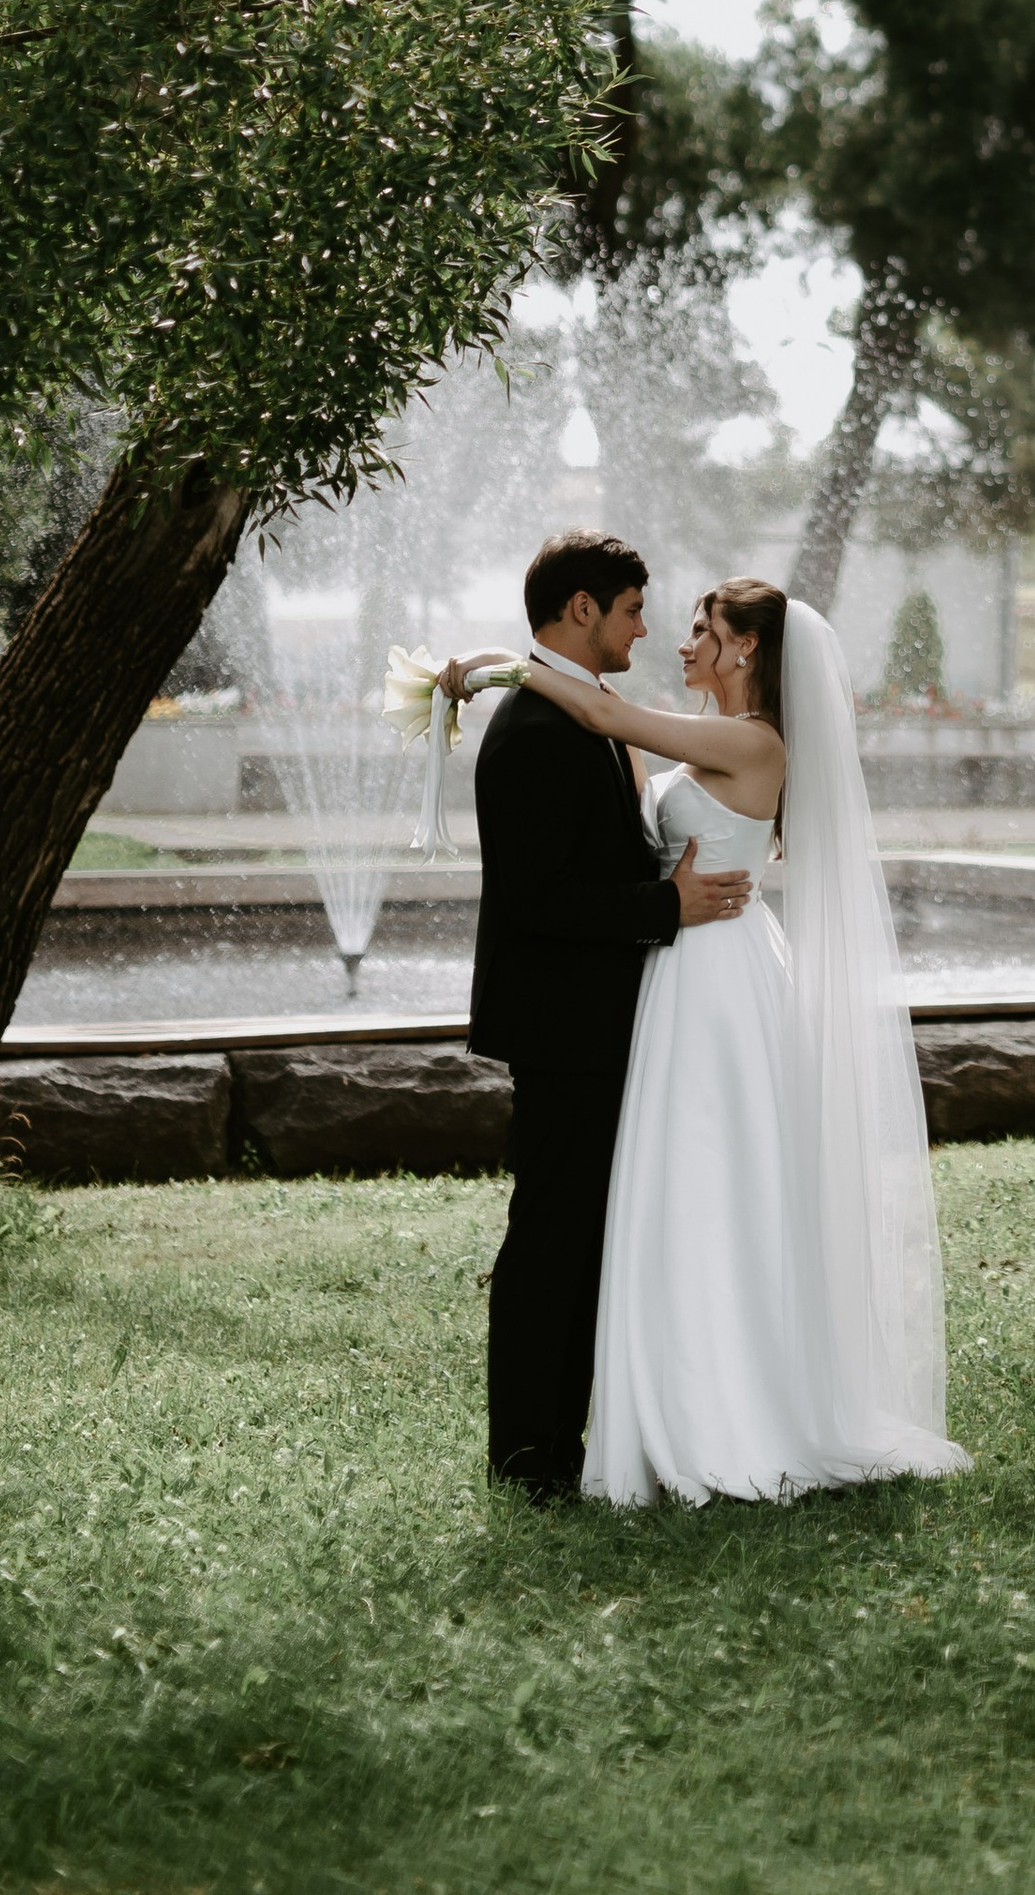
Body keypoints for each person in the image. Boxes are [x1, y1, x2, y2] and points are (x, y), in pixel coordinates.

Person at [446, 576, 968, 1507]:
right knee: (670, 1193)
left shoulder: (752, 740)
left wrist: (499, 666)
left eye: (701, 630)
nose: (679, 642)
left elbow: (608, 717)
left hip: (717, 982)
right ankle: (658, 1406)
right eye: (673, 622)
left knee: (716, 1185)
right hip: (674, 973)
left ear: (748, 650)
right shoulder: (702, 750)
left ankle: (724, 1410)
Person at [465, 530, 753, 1502]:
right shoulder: (535, 733)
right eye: (632, 609)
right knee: (551, 1235)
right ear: (581, 609)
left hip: (599, 1021)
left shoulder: (572, 715)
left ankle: (560, 1438)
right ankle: (528, 1454)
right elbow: (541, 897)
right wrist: (665, 907)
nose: (644, 626)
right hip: (562, 1025)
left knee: (582, 1235)